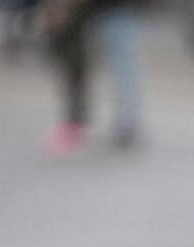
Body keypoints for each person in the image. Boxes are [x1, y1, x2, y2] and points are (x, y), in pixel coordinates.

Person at [41, 0, 145, 156]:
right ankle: (80, 121)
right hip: (93, 13)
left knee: (122, 65)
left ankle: (126, 123)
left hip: (116, 11)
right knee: (81, 64)